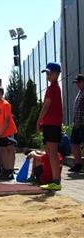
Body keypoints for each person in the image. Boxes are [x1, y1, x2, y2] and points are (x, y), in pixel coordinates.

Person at [37, 63, 63, 191]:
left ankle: (56, 181)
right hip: (50, 124)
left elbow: (46, 106)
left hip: (52, 124)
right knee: (50, 152)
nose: (48, 75)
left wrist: (38, 120)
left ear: (57, 74)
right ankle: (54, 179)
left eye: (50, 73)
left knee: (52, 153)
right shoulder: (52, 88)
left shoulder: (53, 88)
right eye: (47, 73)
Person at [0, 86, 18, 180]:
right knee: (2, 151)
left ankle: (10, 170)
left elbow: (7, 120)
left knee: (10, 150)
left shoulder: (6, 104)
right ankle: (5, 170)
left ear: (2, 94)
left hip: (9, 131)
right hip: (1, 132)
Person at [69, 74, 84, 172]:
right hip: (77, 123)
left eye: (78, 82)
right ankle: (78, 164)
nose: (77, 84)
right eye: (76, 83)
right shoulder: (80, 92)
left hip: (83, 123)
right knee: (74, 143)